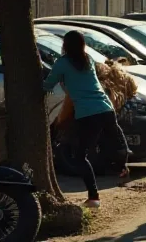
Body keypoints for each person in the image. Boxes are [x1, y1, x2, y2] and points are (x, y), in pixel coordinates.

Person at [43, 31, 129, 209]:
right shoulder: (88, 59)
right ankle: (122, 166)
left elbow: (47, 85)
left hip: (88, 114)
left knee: (80, 156)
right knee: (115, 139)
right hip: (106, 109)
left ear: (65, 45)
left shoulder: (62, 63)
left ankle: (93, 197)